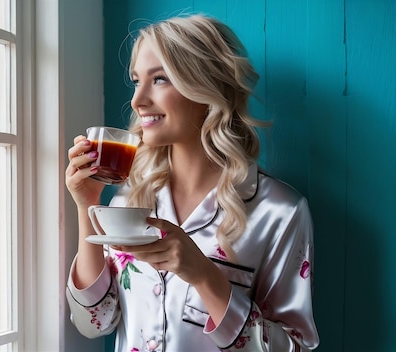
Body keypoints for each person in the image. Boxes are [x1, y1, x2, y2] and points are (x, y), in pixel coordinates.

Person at [64, 14, 319, 352]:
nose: (137, 100)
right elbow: (95, 321)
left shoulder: (280, 212)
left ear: (205, 89)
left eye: (160, 79)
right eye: (136, 80)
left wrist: (203, 273)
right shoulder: (129, 200)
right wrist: (86, 204)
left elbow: (294, 347)